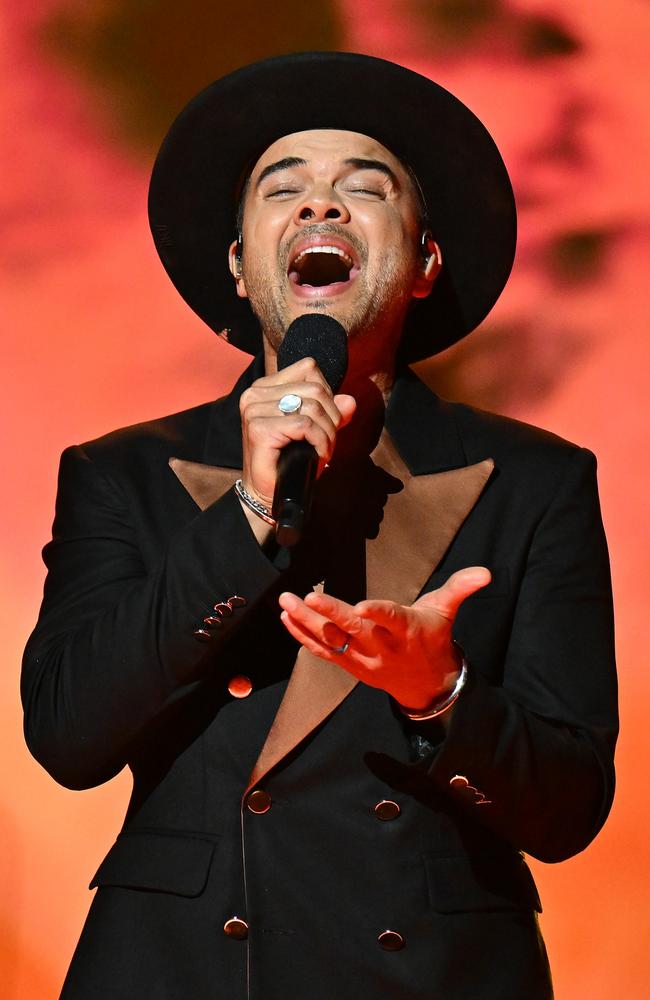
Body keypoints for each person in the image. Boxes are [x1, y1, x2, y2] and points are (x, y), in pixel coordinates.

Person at [22, 52, 617, 1000]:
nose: (321, 208)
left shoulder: (536, 481)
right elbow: (67, 737)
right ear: (238, 265)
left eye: (363, 188)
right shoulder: (120, 474)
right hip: (185, 969)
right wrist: (246, 517)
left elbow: (572, 807)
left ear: (423, 263)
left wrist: (443, 695)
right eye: (283, 188)